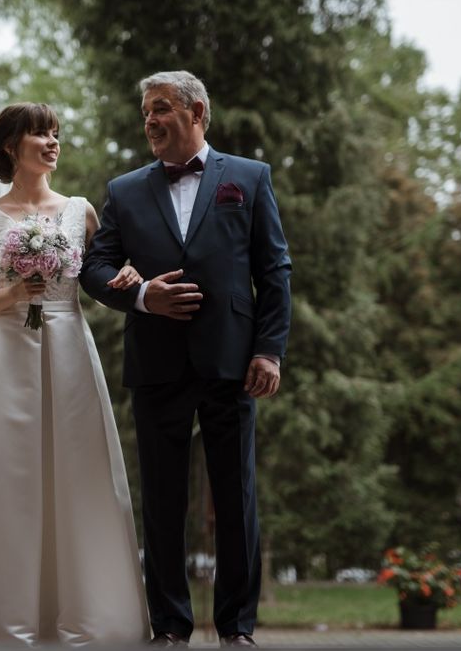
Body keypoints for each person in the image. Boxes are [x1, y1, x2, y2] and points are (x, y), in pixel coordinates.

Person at [0, 103, 149, 645]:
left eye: (55, 133)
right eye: (40, 134)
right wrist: (13, 294)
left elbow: (107, 268)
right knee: (9, 474)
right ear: (10, 146)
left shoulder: (80, 210)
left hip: (69, 349)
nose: (52, 142)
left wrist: (128, 272)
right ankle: (2, 613)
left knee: (79, 471)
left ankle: (89, 612)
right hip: (8, 355)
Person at [80, 71, 292, 648]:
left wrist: (269, 350)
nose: (149, 120)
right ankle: (170, 627)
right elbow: (95, 268)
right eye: (146, 111)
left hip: (232, 361)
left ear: (196, 112)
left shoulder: (249, 178)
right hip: (157, 362)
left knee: (237, 499)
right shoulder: (125, 189)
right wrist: (142, 296)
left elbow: (274, 270)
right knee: (162, 499)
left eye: (161, 108)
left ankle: (237, 628)